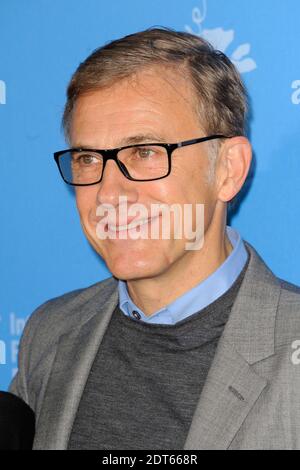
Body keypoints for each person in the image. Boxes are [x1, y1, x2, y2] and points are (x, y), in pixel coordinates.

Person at [10, 28, 300, 450]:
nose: (108, 194)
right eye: (89, 158)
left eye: (144, 152)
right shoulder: (51, 332)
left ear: (228, 169)